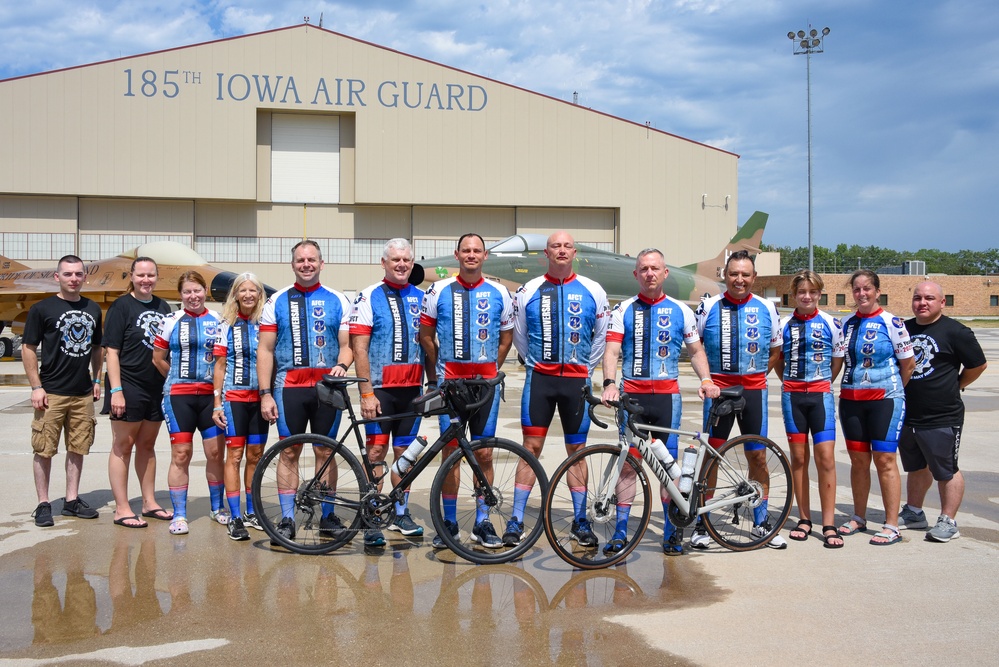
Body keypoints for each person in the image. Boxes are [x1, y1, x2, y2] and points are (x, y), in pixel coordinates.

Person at [601, 248, 719, 554]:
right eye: (644, 269)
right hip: (633, 398)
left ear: (665, 273)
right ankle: (621, 532)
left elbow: (695, 351)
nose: (650, 273)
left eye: (655, 268)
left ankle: (671, 534)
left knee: (668, 470)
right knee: (628, 467)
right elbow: (612, 351)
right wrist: (611, 384)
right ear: (636, 274)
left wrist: (706, 379)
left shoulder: (681, 310)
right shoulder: (623, 309)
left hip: (667, 399)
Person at [510, 231, 610, 548]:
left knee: (576, 451)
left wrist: (586, 370)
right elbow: (519, 336)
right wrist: (537, 363)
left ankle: (580, 520)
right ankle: (515, 519)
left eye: (567, 245)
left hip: (577, 381)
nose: (562, 250)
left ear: (574, 252)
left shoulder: (594, 290)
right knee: (530, 448)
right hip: (540, 378)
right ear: (547, 253)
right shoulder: (529, 290)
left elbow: (600, 336)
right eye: (556, 246)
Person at [420, 232, 514, 549]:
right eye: (466, 250)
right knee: (451, 454)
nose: (472, 255)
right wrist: (443, 369)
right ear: (456, 255)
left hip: (484, 387)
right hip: (451, 386)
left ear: (484, 256)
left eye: (477, 251)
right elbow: (426, 335)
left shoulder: (500, 291)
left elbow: (506, 340)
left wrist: (489, 369)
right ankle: (449, 522)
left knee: (484, 453)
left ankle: (482, 522)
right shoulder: (438, 290)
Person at [257, 239, 353, 543]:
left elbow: (348, 345)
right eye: (300, 260)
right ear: (293, 264)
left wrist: (341, 364)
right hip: (290, 389)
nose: (306, 264)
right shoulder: (277, 301)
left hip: (327, 388)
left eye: (312, 259)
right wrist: (265, 393)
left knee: (326, 452)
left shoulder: (339, 299)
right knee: (289, 452)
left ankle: (328, 516)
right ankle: (287, 519)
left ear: (322, 263)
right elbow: (265, 350)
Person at [693, 249, 785, 549]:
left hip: (754, 391)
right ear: (725, 275)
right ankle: (703, 525)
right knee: (712, 456)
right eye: (734, 273)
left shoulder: (766, 308)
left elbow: (775, 350)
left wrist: (755, 377)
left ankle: (760, 521)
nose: (739, 279)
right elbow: (699, 349)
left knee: (757, 455)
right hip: (719, 391)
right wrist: (708, 381)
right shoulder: (708, 307)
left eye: (746, 274)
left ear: (754, 277)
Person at [349, 239, 426, 546]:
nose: (401, 264)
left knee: (405, 456)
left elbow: (430, 345)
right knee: (377, 453)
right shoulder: (368, 295)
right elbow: (359, 347)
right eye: (395, 259)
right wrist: (366, 393)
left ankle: (400, 512)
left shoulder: (422, 296)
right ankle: (372, 515)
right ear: (384, 262)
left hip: (412, 390)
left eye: (406, 260)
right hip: (380, 390)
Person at [897, 281, 987, 542]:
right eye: (917, 298)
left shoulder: (956, 332)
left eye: (929, 298)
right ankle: (914, 512)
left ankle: (948, 521)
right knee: (916, 466)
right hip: (908, 413)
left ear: (942, 302)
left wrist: (958, 384)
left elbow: (978, 365)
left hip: (942, 414)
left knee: (946, 468)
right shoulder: (904, 329)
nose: (922, 303)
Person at [23, 255, 103, 527]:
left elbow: (96, 347)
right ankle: (43, 503)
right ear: (57, 277)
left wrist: (97, 379)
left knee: (78, 447)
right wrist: (36, 386)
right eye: (67, 274)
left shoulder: (93, 309)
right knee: (44, 448)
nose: (73, 279)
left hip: (82, 393)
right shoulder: (41, 309)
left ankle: (71, 500)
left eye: (78, 274)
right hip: (51, 392)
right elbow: (28, 348)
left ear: (84, 277)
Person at [837, 269, 914, 546]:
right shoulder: (845, 323)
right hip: (851, 402)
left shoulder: (892, 322)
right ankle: (858, 516)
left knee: (884, 460)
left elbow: (908, 365)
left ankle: (892, 525)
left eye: (867, 288)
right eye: (856, 289)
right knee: (858, 461)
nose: (861, 294)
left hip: (885, 401)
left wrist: (892, 390)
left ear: (877, 291)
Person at [773, 271, 845, 548]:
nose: (807, 296)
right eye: (802, 292)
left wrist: (822, 382)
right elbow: (777, 360)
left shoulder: (831, 323)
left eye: (812, 292)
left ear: (819, 294)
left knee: (825, 458)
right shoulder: (783, 324)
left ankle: (828, 523)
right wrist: (791, 382)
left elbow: (837, 361)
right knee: (799, 459)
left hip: (821, 397)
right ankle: (803, 518)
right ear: (794, 294)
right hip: (792, 397)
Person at [152, 271, 226, 536]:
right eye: (187, 292)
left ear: (205, 291)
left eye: (197, 291)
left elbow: (223, 360)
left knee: (216, 454)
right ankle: (180, 514)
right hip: (179, 397)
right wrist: (177, 379)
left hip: (211, 397)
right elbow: (158, 358)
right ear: (180, 295)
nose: (192, 296)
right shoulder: (170, 320)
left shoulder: (219, 319)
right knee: (181, 455)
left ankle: (217, 508)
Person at [104, 257, 174, 528]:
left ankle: (149, 502)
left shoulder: (163, 306)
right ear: (131, 276)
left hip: (155, 387)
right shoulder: (121, 306)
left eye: (151, 275)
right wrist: (117, 391)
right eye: (141, 275)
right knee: (123, 446)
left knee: (147, 445)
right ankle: (122, 508)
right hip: (128, 385)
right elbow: (111, 351)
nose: (146, 280)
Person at [212, 273, 269, 541]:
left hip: (260, 399)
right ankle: (235, 516)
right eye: (242, 290)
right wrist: (216, 403)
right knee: (234, 456)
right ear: (235, 294)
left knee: (256, 455)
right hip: (234, 398)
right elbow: (220, 366)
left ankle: (252, 510)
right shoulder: (225, 324)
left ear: (259, 295)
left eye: (253, 290)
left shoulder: (266, 323)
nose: (248, 294)